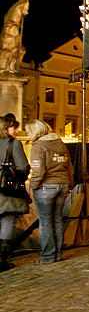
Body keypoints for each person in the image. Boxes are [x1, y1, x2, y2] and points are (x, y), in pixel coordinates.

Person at [27, 120, 74, 264]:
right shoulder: (60, 143)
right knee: (57, 220)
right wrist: (69, 183)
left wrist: (32, 185)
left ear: (36, 131)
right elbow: (69, 166)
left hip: (46, 186)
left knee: (46, 222)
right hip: (62, 184)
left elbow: (38, 171)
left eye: (29, 131)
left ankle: (47, 256)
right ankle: (57, 253)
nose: (28, 134)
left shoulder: (38, 146)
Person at [0, 116, 29, 271]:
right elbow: (23, 167)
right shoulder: (13, 144)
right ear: (6, 129)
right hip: (6, 189)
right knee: (7, 220)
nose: (17, 131)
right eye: (14, 128)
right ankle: (2, 259)